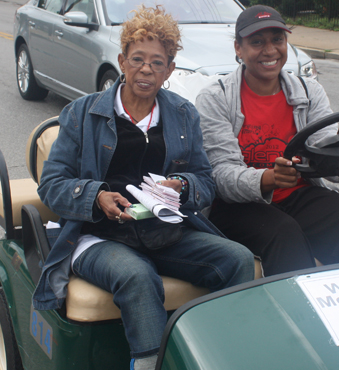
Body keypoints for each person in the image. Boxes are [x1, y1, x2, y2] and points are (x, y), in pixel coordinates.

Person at [34, 6, 255, 370]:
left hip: (161, 231)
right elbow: (52, 185)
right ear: (122, 60)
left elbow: (204, 180)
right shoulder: (80, 113)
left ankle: (223, 356)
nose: (146, 69)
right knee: (136, 275)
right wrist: (97, 197)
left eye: (158, 62)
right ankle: (150, 363)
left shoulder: (183, 114)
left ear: (169, 69)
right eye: (138, 59)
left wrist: (181, 187)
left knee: (238, 259)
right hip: (96, 235)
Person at [195, 5, 339, 277]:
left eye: (277, 40)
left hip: (296, 194)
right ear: (238, 48)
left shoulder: (308, 90)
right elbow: (221, 175)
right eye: (257, 42)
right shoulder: (216, 97)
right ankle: (297, 312)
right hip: (237, 205)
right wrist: (268, 178)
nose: (270, 51)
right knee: (282, 233)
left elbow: (328, 155)